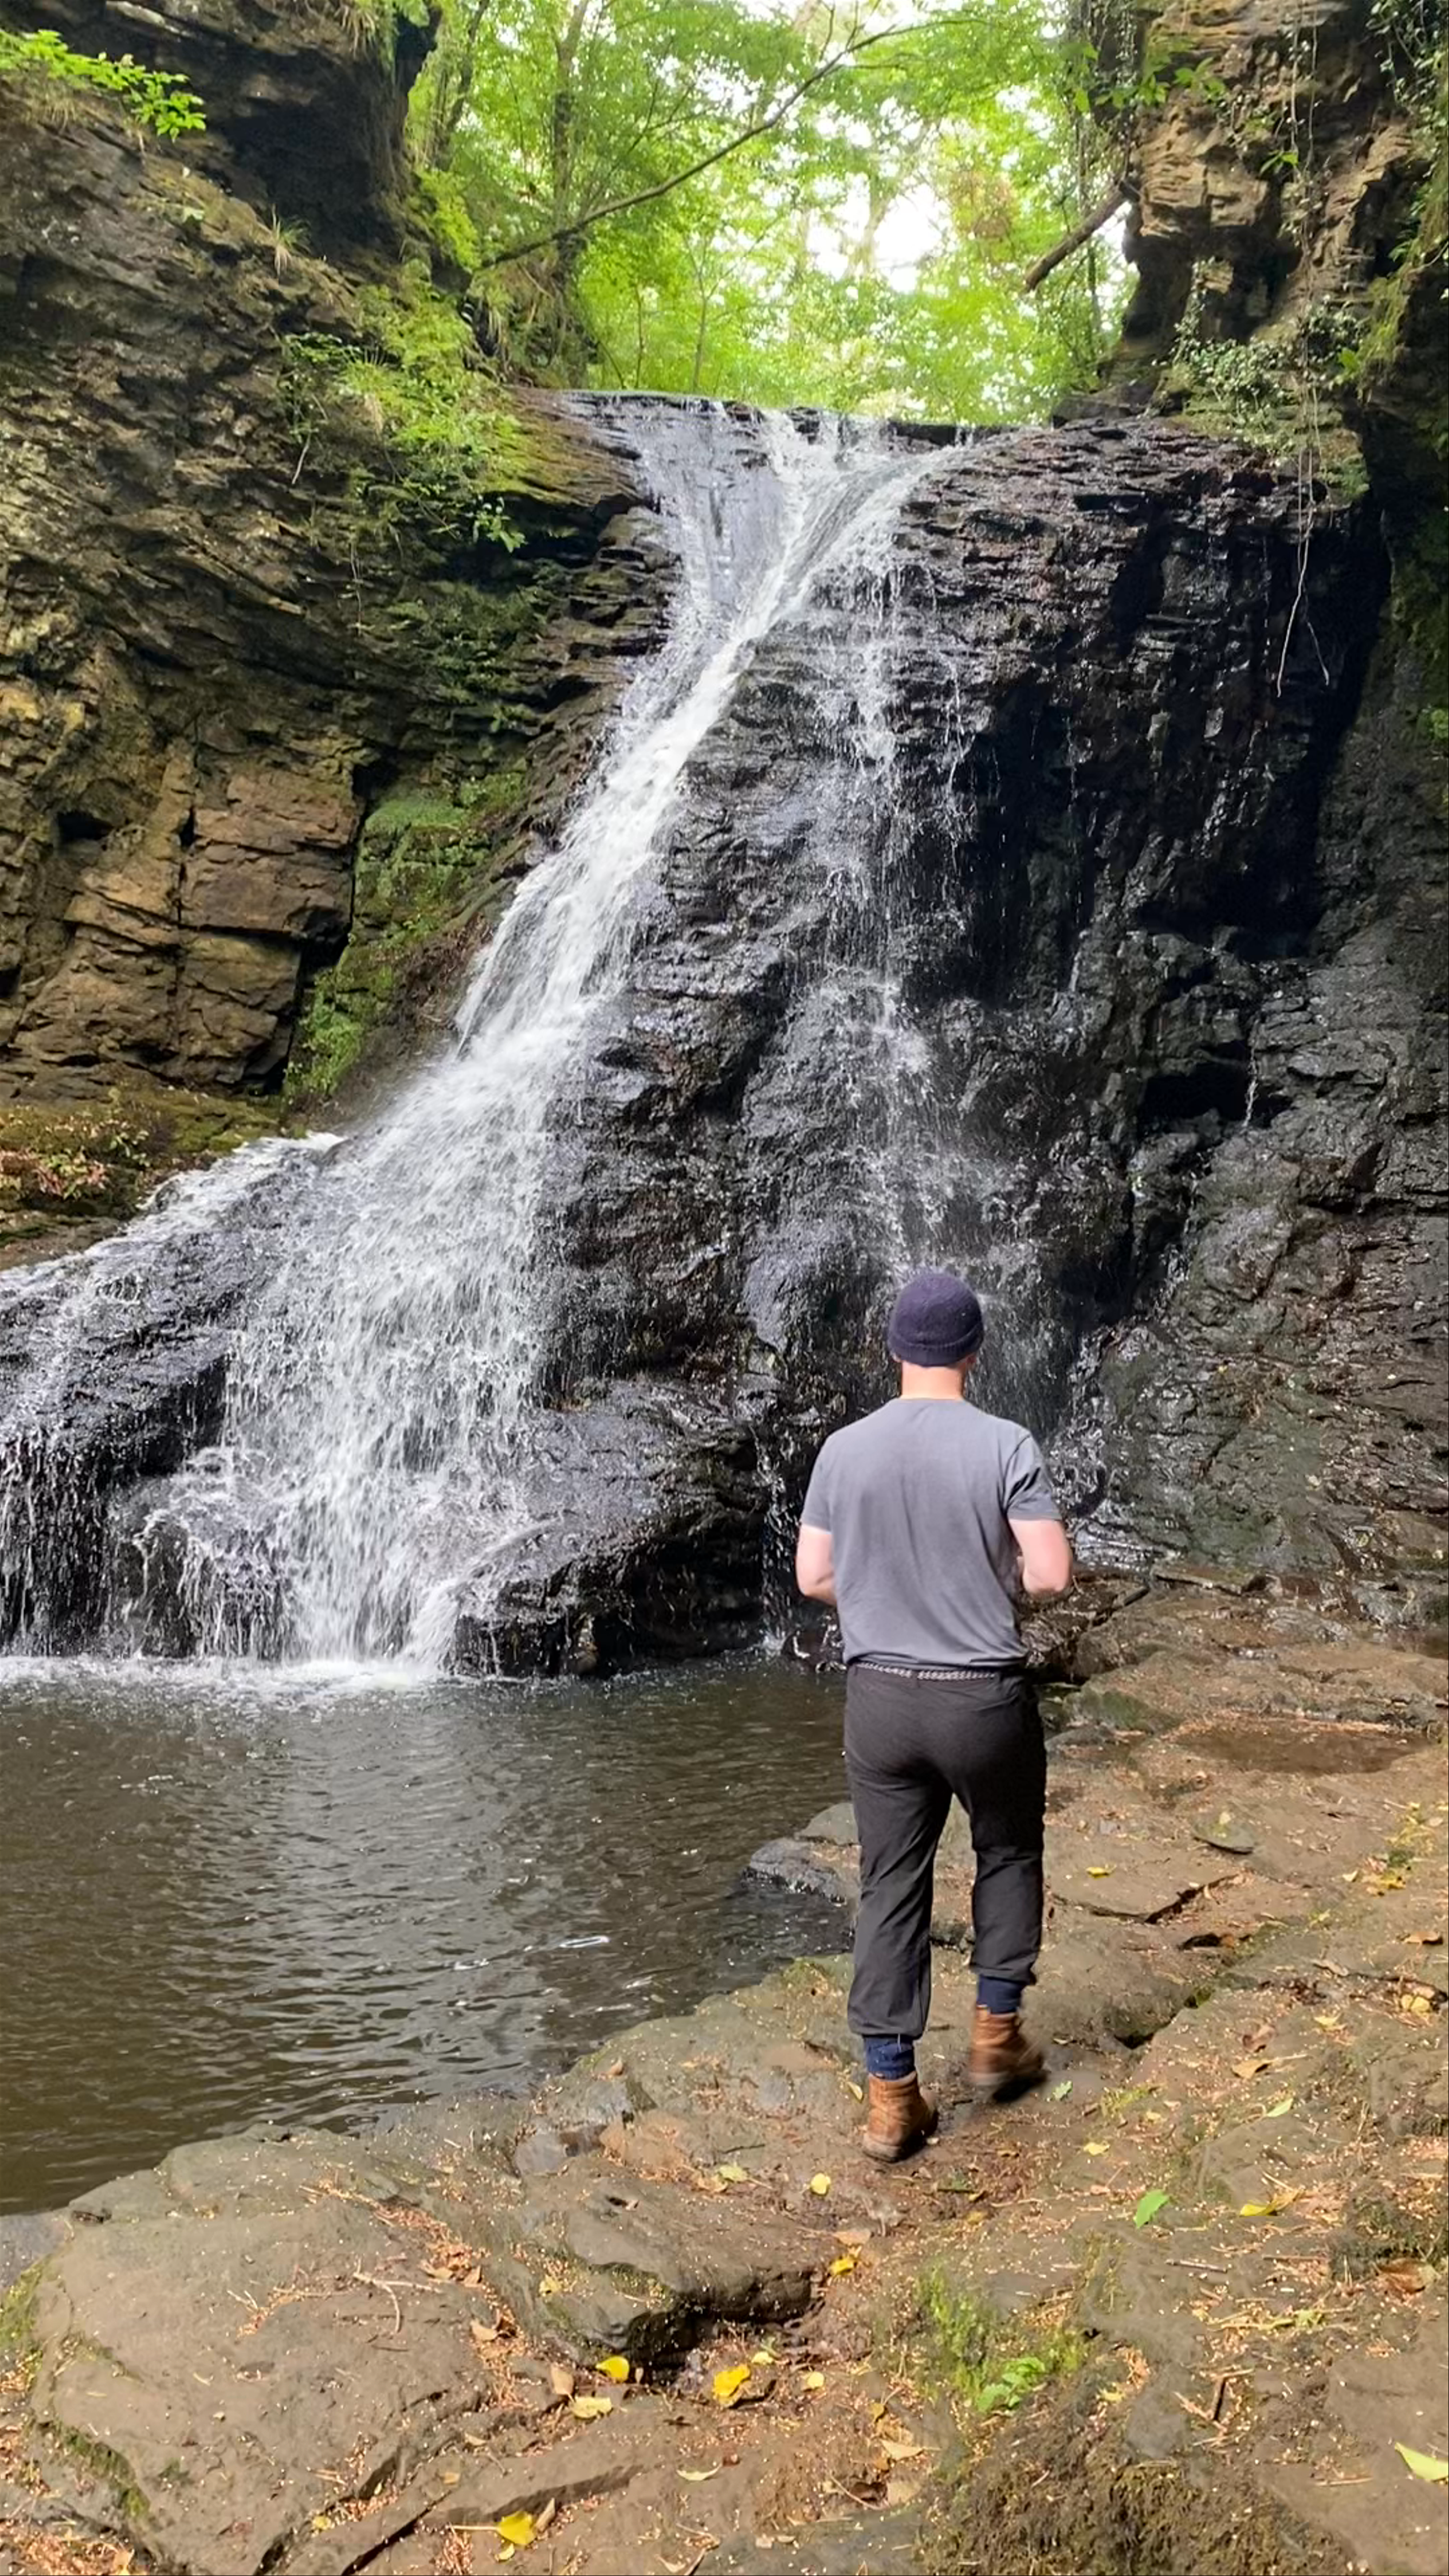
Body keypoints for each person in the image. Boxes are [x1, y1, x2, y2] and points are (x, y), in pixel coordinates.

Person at [795, 1268, 1072, 2162]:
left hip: (881, 1698)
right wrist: (989, 1579)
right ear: (974, 1354)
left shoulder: (844, 1447)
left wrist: (880, 1596)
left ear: (893, 1351)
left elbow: (814, 1577)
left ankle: (891, 2097)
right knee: (1009, 1846)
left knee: (890, 1883)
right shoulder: (1005, 1442)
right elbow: (1051, 1573)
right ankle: (995, 2034)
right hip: (981, 1696)